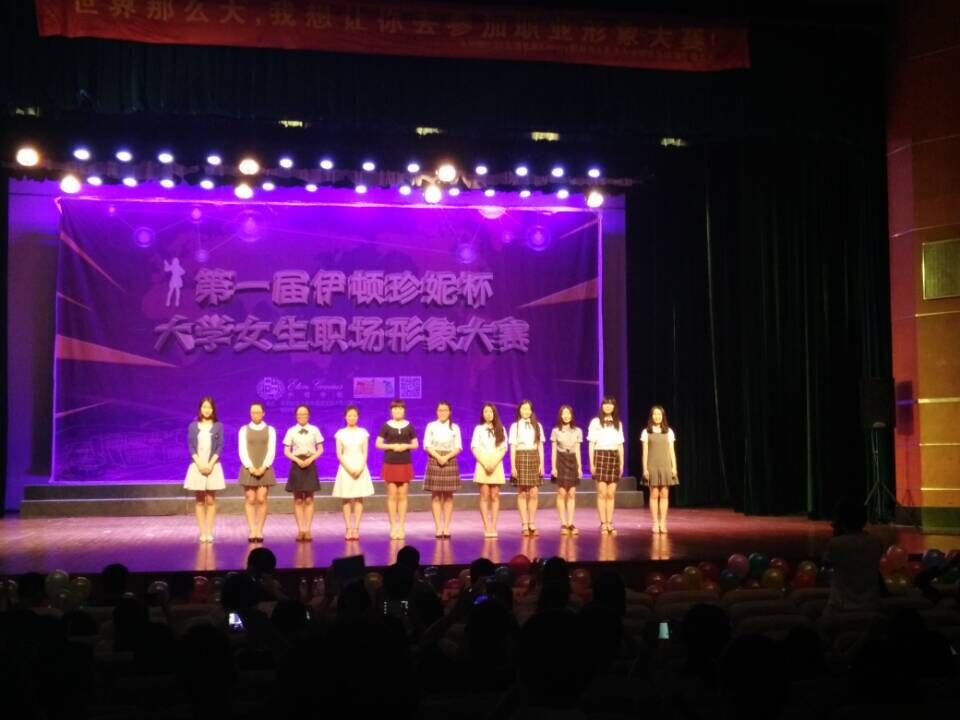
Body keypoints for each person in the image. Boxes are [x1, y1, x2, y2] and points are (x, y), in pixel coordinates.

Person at [822, 496, 885, 615]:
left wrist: (836, 534)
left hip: (841, 609)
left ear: (840, 520)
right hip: (871, 606)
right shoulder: (876, 541)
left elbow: (826, 567)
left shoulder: (836, 543)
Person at [376, 400, 419, 540]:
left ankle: (401, 526)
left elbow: (415, 444)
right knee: (392, 495)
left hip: (405, 463)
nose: (398, 411)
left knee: (403, 495)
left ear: (404, 410)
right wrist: (392, 446)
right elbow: (378, 444)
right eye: (395, 408)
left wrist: (406, 446)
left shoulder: (409, 425)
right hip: (390, 462)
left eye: (400, 408)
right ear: (391, 410)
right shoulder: (386, 425)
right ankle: (393, 526)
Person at [184, 396, 225, 543]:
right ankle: (202, 532)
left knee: (211, 500)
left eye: (209, 407)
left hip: (213, 465)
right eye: (204, 407)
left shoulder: (218, 426)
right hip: (197, 465)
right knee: (200, 500)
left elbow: (220, 446)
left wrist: (210, 464)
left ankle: (209, 531)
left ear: (213, 409)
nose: (206, 410)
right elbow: (191, 446)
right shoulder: (193, 426)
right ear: (200, 409)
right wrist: (200, 464)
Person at [332, 405, 374, 540]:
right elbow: (339, 454)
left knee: (358, 498)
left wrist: (361, 467)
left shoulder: (363, 432)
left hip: (360, 467)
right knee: (346, 498)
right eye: (349, 415)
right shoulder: (340, 433)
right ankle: (348, 528)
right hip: (345, 468)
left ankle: (356, 528)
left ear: (358, 417)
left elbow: (365, 452)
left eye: (354, 415)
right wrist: (349, 469)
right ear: (345, 417)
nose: (352, 418)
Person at [283, 404, 324, 542]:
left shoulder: (314, 430)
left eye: (304, 414)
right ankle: (300, 529)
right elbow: (286, 451)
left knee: (309, 498)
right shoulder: (291, 431)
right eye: (299, 414)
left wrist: (310, 459)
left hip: (310, 463)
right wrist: (297, 460)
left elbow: (320, 449)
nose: (302, 416)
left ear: (309, 415)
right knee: (298, 499)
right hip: (297, 464)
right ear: (296, 416)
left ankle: (308, 529)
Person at [238, 402, 277, 543]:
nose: (255, 414)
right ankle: (252, 530)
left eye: (258, 412)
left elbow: (271, 450)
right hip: (249, 467)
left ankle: (259, 529)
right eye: (253, 412)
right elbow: (242, 450)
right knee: (250, 499)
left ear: (263, 413)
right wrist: (250, 467)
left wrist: (263, 467)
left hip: (264, 468)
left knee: (261, 498)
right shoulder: (244, 430)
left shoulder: (270, 430)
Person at [423, 401, 463, 538]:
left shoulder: (455, 427)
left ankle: (446, 527)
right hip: (434, 458)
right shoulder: (431, 426)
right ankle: (438, 527)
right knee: (435, 495)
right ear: (436, 411)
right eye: (440, 410)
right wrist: (438, 457)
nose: (442, 413)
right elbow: (427, 445)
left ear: (449, 412)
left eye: (445, 410)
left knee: (448, 496)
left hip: (449, 459)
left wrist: (446, 457)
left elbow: (458, 447)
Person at [471, 403, 509, 538]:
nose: (488, 414)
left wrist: (494, 463)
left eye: (490, 412)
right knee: (484, 495)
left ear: (494, 413)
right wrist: (484, 463)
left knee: (495, 495)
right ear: (483, 414)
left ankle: (493, 525)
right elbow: (474, 447)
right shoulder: (479, 429)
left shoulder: (501, 428)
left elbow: (504, 448)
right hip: (482, 463)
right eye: (486, 412)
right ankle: (486, 525)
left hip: (496, 463)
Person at [588, 396, 624, 535]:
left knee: (611, 493)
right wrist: (592, 463)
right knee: (602, 493)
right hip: (600, 455)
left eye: (611, 404)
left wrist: (621, 463)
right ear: (602, 406)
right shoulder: (595, 422)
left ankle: (610, 522)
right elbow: (591, 443)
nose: (608, 406)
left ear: (614, 407)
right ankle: (603, 523)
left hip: (614, 456)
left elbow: (620, 444)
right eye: (605, 404)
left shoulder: (618, 423)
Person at [509, 400, 545, 536]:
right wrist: (513, 465)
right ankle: (524, 523)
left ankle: (532, 522)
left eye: (528, 409)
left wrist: (542, 463)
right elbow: (513, 447)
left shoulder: (537, 425)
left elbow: (540, 445)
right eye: (523, 408)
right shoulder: (515, 426)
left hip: (534, 457)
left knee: (534, 492)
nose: (525, 411)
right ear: (519, 410)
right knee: (522, 492)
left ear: (531, 411)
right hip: (520, 456)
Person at [641, 404, 678, 533]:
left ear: (663, 416)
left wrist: (674, 467)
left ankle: (663, 522)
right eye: (655, 414)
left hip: (666, 466)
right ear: (651, 416)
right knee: (654, 494)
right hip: (652, 466)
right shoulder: (646, 432)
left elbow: (672, 451)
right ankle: (655, 523)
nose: (657, 416)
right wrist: (645, 469)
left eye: (659, 414)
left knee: (664, 495)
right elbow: (645, 452)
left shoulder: (669, 431)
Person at [551, 405, 583, 535]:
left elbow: (578, 451)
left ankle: (570, 523)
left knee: (572, 493)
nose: (566, 416)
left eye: (568, 413)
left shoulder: (577, 431)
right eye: (564, 413)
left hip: (572, 460)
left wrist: (580, 467)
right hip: (561, 459)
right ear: (560, 415)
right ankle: (563, 523)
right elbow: (554, 451)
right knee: (562, 493)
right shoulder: (556, 431)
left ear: (571, 415)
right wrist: (553, 467)